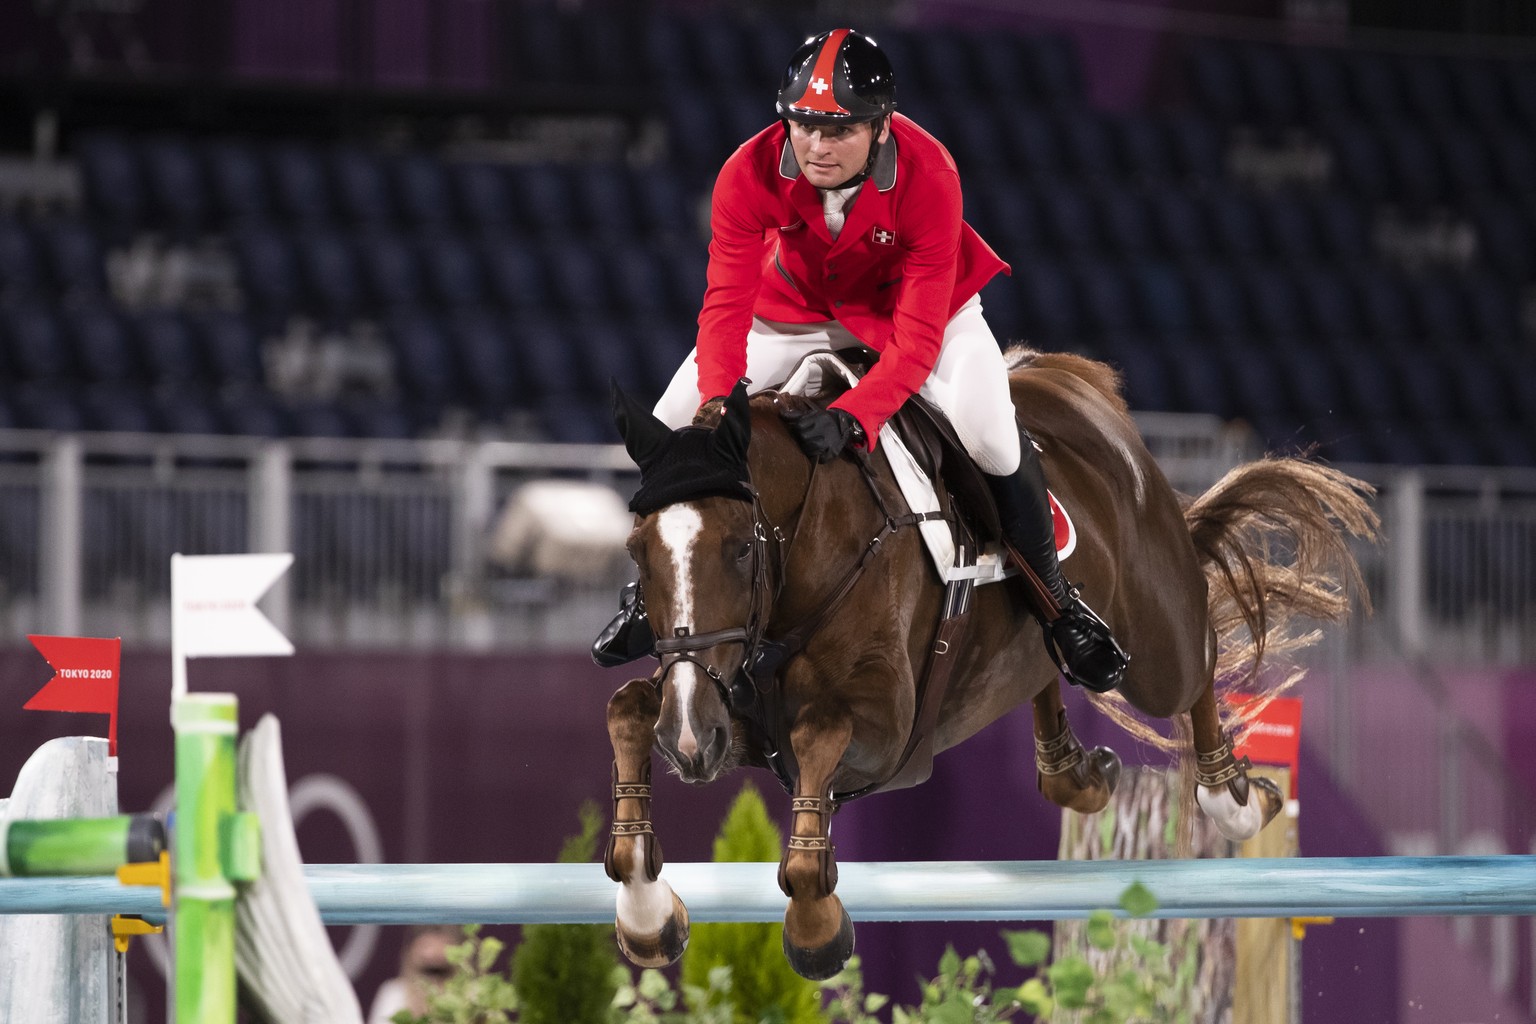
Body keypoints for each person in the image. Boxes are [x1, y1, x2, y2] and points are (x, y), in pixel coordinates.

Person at [597, 27, 1126, 693]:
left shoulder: (930, 174)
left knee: (988, 431)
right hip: (794, 312)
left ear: (881, 128)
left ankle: (1057, 604)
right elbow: (727, 305)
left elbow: (917, 337)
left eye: (839, 129)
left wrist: (856, 416)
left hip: (923, 315)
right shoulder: (748, 169)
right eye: (804, 126)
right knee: (668, 427)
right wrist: (715, 407)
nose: (817, 146)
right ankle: (646, 599)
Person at [366, 924, 461, 1023]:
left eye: (439, 972)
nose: (433, 955)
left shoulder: (465, 998)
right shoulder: (394, 992)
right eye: (426, 946)